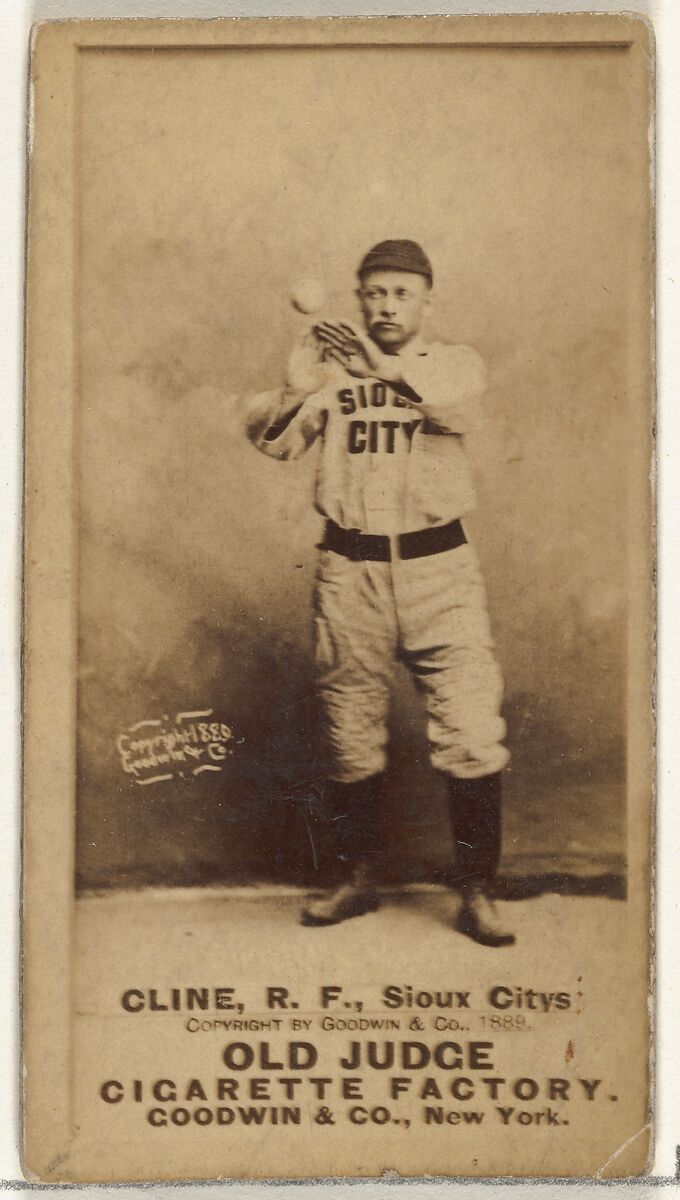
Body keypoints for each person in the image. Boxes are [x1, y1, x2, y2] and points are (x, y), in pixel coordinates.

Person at [246, 239, 514, 946]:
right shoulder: (333, 372)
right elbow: (275, 443)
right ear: (359, 299)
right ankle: (354, 877)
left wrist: (384, 372)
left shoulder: (453, 363)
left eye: (401, 293)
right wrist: (301, 387)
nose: (386, 305)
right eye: (374, 293)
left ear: (427, 300)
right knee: (349, 731)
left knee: (472, 732)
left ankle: (479, 889)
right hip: (350, 572)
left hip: (440, 572)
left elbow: (457, 410)